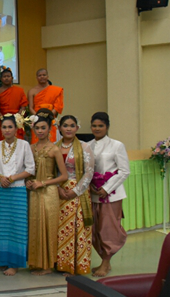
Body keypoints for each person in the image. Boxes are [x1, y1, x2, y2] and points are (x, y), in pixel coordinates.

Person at [0, 116, 35, 276]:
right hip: (1, 190)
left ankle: (15, 264)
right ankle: (2, 260)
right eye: (4, 127)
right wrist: (0, 177)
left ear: (16, 129)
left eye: (10, 127)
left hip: (18, 190)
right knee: (2, 226)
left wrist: (12, 178)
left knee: (17, 226)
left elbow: (31, 169)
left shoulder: (24, 145)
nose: (7, 130)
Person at [88, 112, 129, 277]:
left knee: (108, 230)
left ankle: (105, 263)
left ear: (107, 127)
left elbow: (124, 171)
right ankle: (105, 260)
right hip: (93, 193)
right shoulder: (87, 145)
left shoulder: (116, 145)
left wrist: (106, 187)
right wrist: (90, 186)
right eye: (94, 126)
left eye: (100, 126)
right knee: (94, 230)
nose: (97, 129)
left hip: (111, 195)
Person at [27, 113, 69, 275]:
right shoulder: (30, 148)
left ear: (49, 129)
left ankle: (49, 265)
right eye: (37, 128)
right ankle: (37, 262)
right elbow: (29, 172)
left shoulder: (54, 149)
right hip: (35, 192)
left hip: (49, 191)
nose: (40, 131)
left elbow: (63, 176)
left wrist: (43, 183)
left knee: (48, 227)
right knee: (36, 226)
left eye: (43, 128)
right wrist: (29, 182)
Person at [55, 115, 95, 276]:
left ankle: (75, 265)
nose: (69, 128)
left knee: (75, 229)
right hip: (58, 193)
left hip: (78, 192)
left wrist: (75, 191)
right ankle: (61, 263)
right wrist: (58, 188)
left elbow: (89, 173)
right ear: (59, 128)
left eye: (72, 125)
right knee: (60, 229)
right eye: (65, 125)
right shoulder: (54, 147)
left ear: (77, 128)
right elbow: (51, 173)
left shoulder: (84, 147)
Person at [29, 69, 64, 143]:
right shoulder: (32, 91)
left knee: (51, 142)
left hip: (50, 119)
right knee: (37, 141)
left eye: (44, 75)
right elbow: (30, 107)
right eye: (39, 75)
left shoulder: (55, 90)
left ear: (47, 76)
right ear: (36, 77)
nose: (42, 77)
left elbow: (57, 106)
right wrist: (38, 117)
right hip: (37, 119)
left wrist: (49, 115)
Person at [0, 69, 28, 142]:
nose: (6, 78)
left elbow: (23, 106)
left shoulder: (20, 90)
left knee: (18, 140)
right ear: (1, 79)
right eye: (4, 76)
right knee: (2, 140)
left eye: (8, 76)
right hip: (2, 119)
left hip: (16, 118)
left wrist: (17, 116)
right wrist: (2, 117)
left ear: (12, 78)